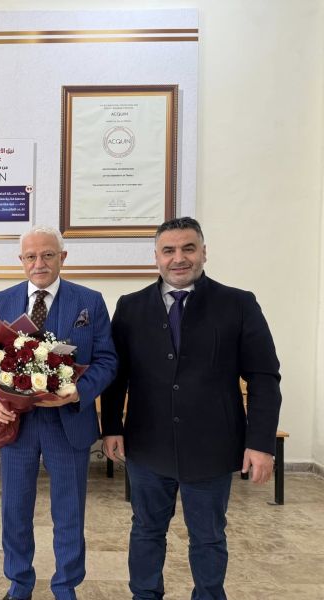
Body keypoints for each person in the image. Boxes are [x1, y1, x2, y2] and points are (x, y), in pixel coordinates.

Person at [101, 216, 282, 600]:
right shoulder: (130, 307)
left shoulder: (238, 304)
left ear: (204, 252)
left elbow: (264, 377)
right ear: (156, 257)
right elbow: (117, 376)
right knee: (146, 530)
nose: (178, 258)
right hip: (148, 446)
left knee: (209, 537)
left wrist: (260, 443)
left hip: (212, 447)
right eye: (168, 250)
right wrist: (112, 427)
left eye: (188, 248)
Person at [0, 226, 117, 600]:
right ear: (21, 260)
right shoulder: (2, 300)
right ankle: (19, 583)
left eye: (48, 255)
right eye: (31, 256)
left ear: (62, 258)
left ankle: (65, 586)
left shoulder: (89, 302)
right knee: (15, 511)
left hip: (67, 422)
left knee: (69, 513)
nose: (39, 263)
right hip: (17, 424)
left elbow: (107, 360)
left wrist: (75, 393)